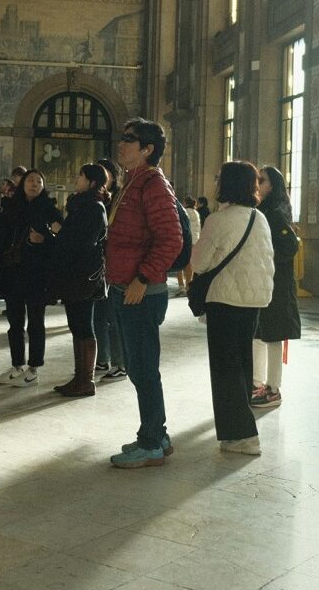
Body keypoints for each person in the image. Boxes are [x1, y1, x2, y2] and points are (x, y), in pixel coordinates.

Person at [105, 118, 183, 468]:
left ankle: (151, 441)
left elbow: (171, 239)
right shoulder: (132, 182)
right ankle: (158, 435)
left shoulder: (152, 184)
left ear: (147, 149)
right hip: (126, 287)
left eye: (129, 139)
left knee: (144, 368)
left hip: (141, 291)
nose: (121, 144)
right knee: (139, 367)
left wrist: (142, 278)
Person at [189, 161, 274, 456]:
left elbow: (199, 263)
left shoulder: (218, 220)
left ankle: (242, 435)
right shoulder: (258, 218)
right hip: (254, 300)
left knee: (225, 367)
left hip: (225, 299)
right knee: (242, 364)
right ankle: (241, 430)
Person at [0, 169, 62, 386]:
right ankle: (17, 364)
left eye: (39, 181)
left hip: (37, 273)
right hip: (13, 270)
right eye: (30, 180)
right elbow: (1, 230)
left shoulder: (49, 209)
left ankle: (34, 368)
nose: (34, 184)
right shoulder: (12, 206)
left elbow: (62, 237)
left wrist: (45, 238)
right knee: (15, 321)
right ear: (22, 184)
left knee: (36, 322)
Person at [48, 163, 111, 398]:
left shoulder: (94, 207)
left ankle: (86, 380)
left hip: (83, 276)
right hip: (74, 273)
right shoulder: (82, 205)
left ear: (92, 182)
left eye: (80, 176)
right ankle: (79, 377)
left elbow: (84, 242)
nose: (77, 179)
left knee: (84, 325)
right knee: (77, 325)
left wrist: (60, 232)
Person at [252, 165, 302, 409]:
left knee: (272, 334)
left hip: (276, 282)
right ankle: (256, 383)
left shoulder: (275, 212)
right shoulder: (262, 209)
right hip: (264, 280)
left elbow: (290, 247)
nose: (257, 184)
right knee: (259, 333)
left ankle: (273, 388)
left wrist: (266, 258)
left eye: (262, 180)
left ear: (273, 186)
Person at [93, 157, 127, 382]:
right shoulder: (93, 199)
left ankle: (120, 363)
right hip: (97, 263)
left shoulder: (120, 198)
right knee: (98, 315)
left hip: (114, 263)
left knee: (114, 317)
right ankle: (102, 358)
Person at [176, 195, 202, 296]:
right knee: (190, 264)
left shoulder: (184, 212)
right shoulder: (196, 213)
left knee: (180, 262)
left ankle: (181, 286)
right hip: (195, 241)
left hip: (185, 241)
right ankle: (188, 285)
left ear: (186, 203)